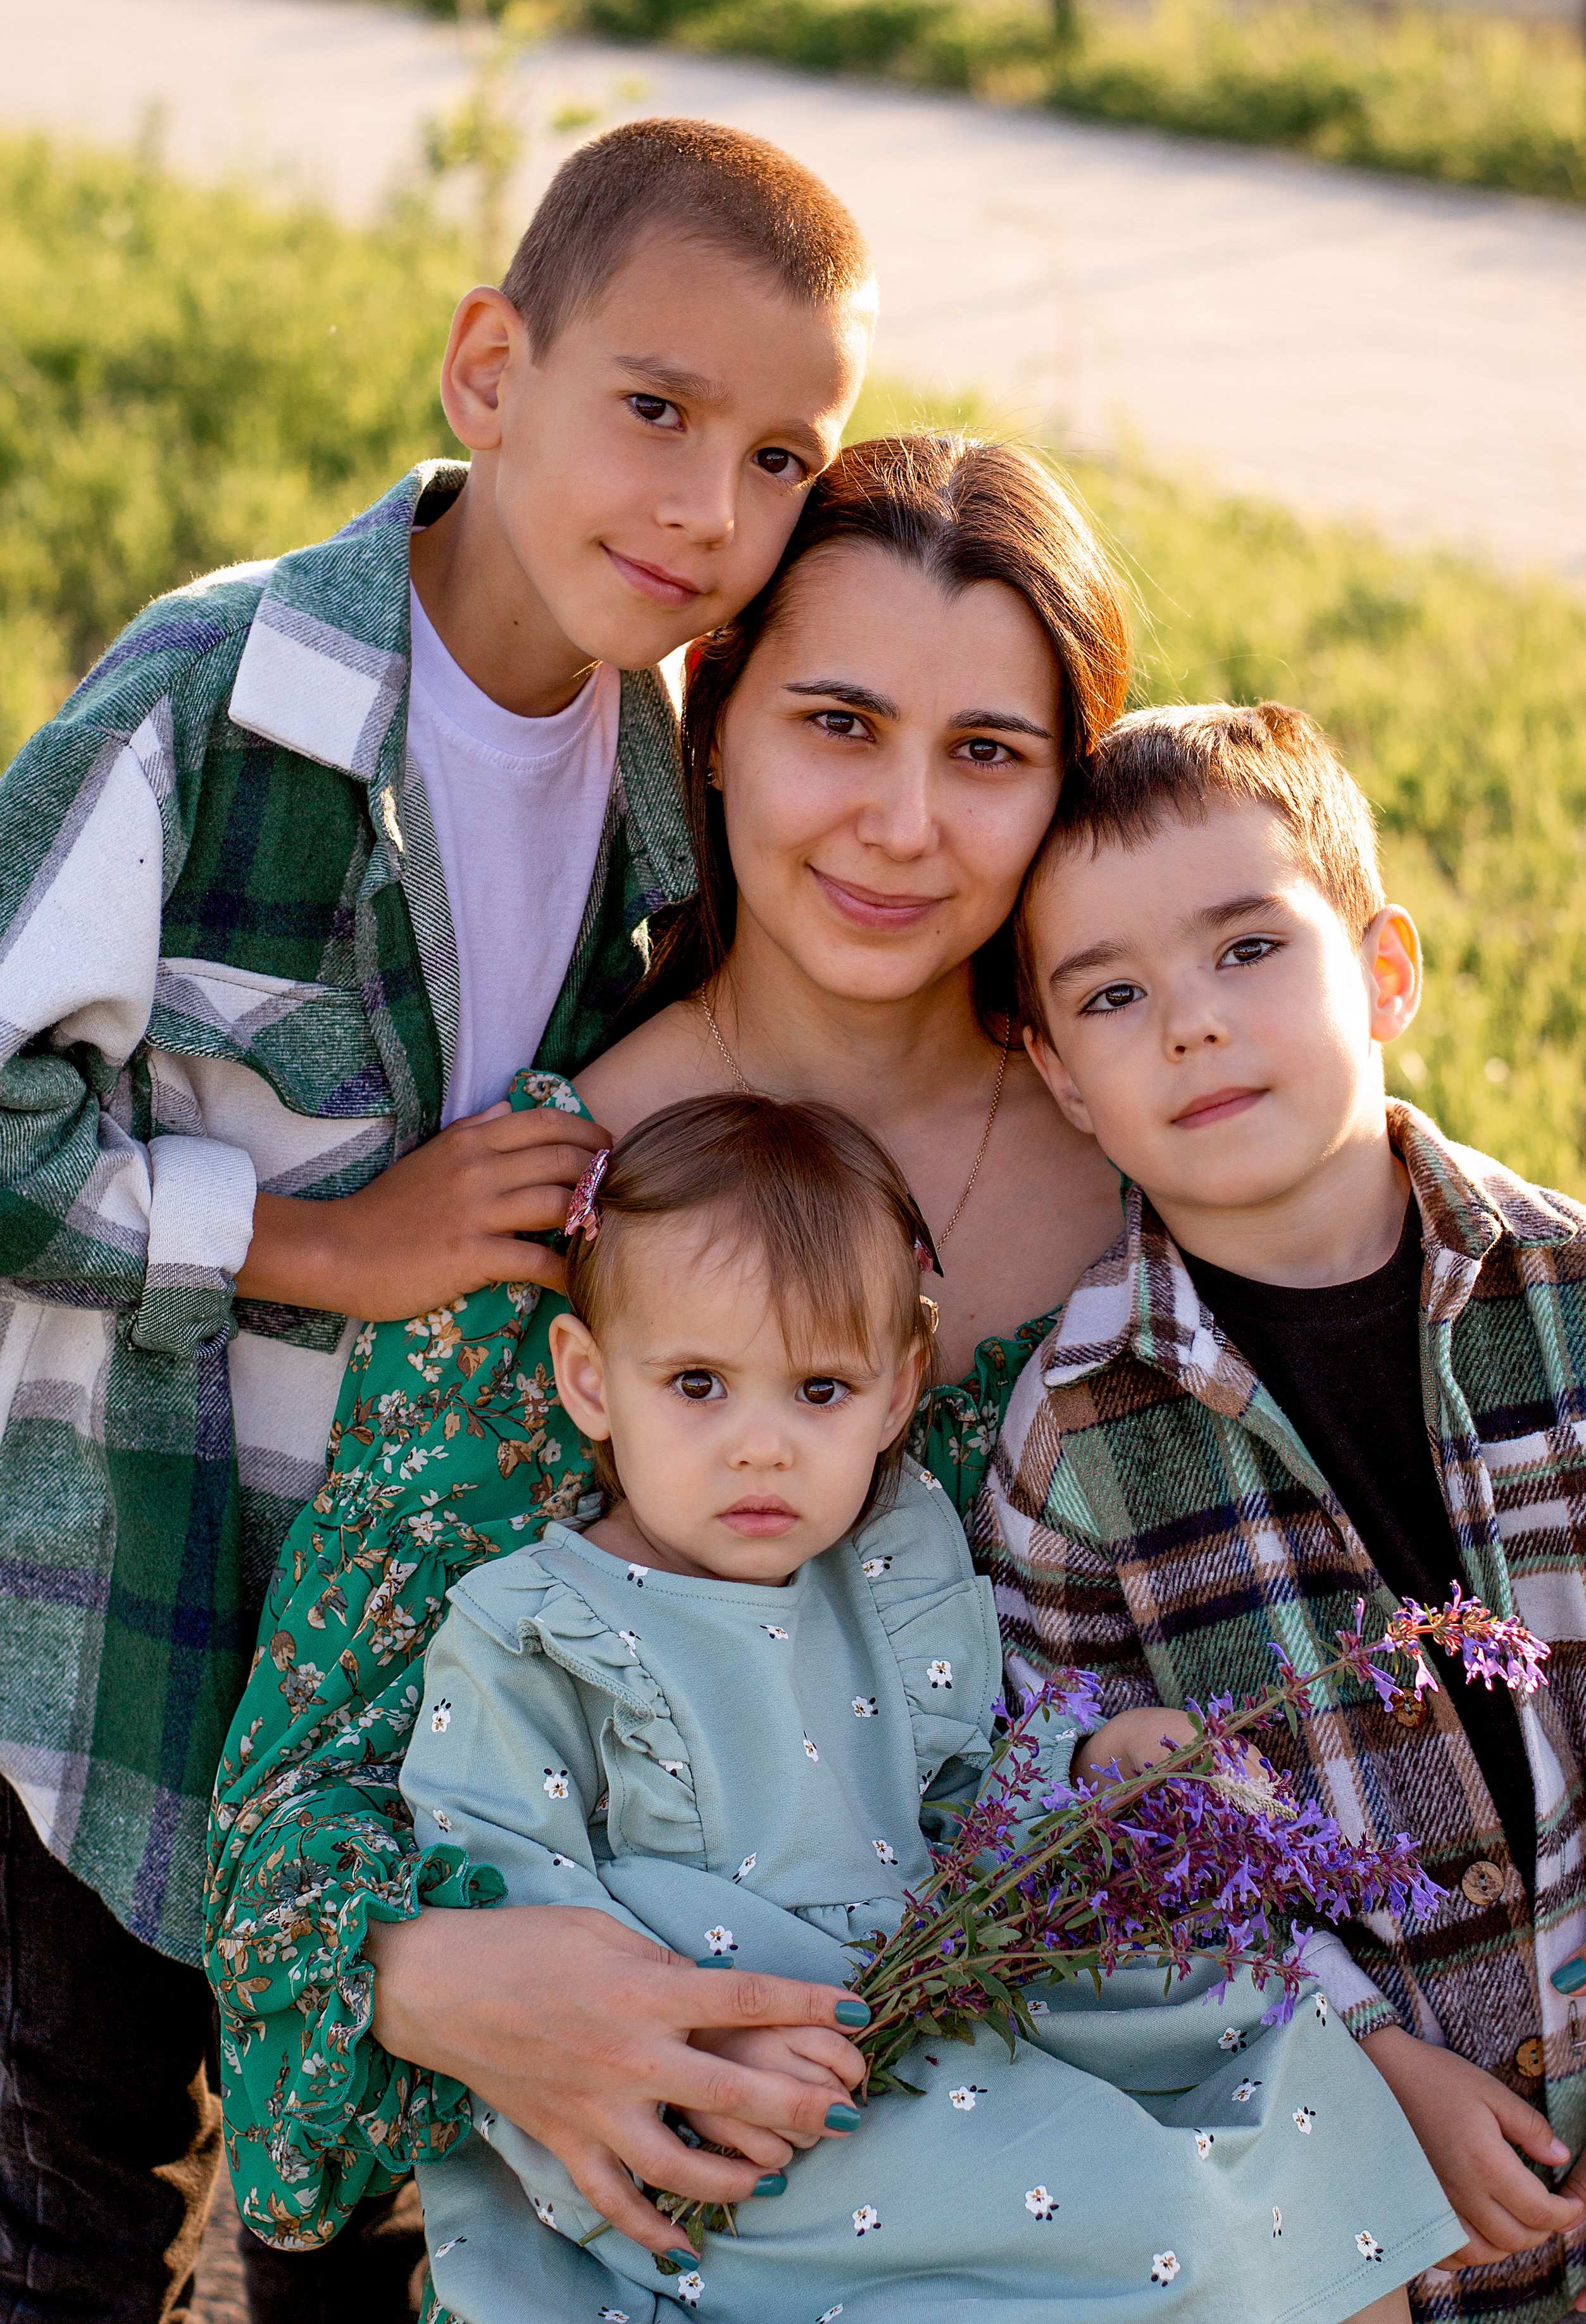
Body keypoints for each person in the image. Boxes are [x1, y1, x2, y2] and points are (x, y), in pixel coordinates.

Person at [0, 115, 875, 2321]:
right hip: (140, 1594)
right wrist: (320, 1245)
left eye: (781, 459)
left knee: (368, 2200)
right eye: (655, 411)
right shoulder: (223, 702)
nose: (706, 507)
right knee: (91, 2179)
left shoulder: (679, 782)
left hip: (424, 1643)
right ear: (490, 369)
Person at [205, 430, 1137, 2258]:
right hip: (684, 2203)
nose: (902, 825)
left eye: (989, 757)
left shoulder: (1161, 1173)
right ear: (713, 729)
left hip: (1099, 2144)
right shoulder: (558, 1219)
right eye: (839, 725)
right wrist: (450, 1983)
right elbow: (288, 1828)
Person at [398, 1088, 1459, 2324]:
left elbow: (967, 1796)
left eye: (817, 1391)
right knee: (1150, 2222)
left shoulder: (889, 1569)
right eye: (696, 1384)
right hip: (737, 2117)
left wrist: (1094, 1775)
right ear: (588, 1382)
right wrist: (681, 2060)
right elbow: (504, 1902)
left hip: (945, 2010)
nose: (759, 1446)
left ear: (898, 1391)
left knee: (1276, 2080)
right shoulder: (536, 1624)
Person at [979, 698, 1586, 2324]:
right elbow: (1110, 1843)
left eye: (1245, 950)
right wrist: (1366, 2064)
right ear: (1058, 1077)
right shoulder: (1072, 1449)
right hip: (1367, 2217)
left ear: (1383, 971)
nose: (1187, 1024)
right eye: (1111, 994)